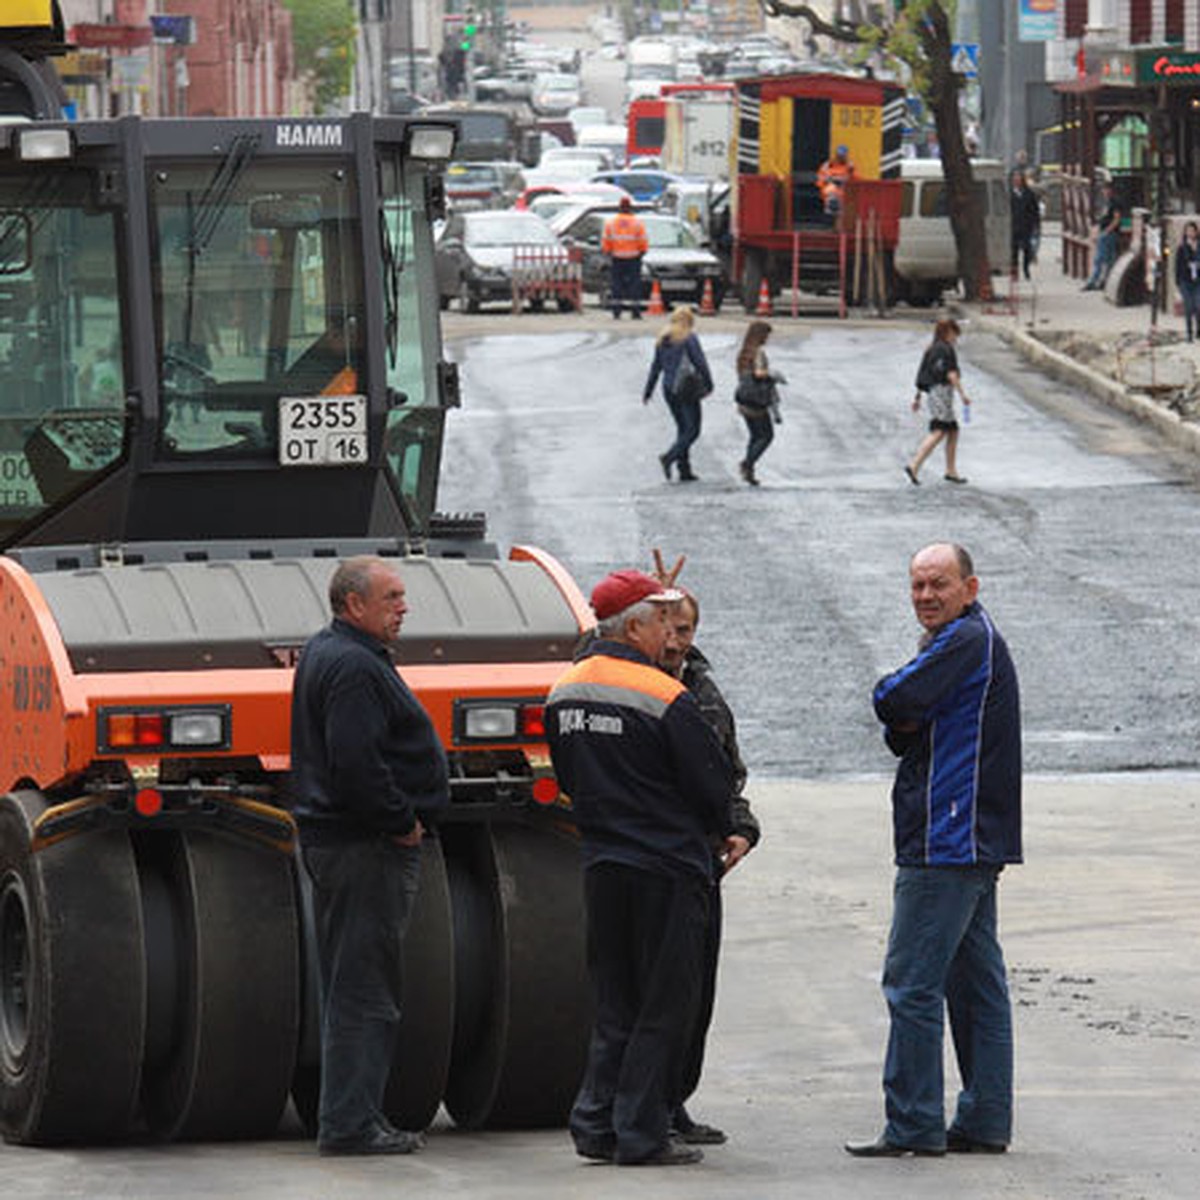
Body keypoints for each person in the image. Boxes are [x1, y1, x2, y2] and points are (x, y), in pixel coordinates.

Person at [546, 569, 736, 1167]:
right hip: (667, 866)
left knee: (616, 1001)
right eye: (660, 622)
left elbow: (569, 778)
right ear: (634, 626)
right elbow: (713, 785)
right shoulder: (665, 696)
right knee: (663, 1005)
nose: (668, 637)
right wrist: (722, 826)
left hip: (604, 862)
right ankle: (643, 1133)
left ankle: (595, 1123)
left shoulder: (565, 691)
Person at [845, 542, 1022, 1158]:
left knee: (912, 983)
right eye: (917, 585)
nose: (926, 596)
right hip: (971, 836)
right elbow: (904, 728)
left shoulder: (963, 641)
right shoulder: (967, 639)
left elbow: (893, 701)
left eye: (938, 584)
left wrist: (899, 700)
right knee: (975, 985)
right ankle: (983, 1120)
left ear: (970, 587)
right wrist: (908, 710)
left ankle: (914, 1123)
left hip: (947, 837)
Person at [290, 556, 449, 1156]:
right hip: (365, 847)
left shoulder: (329, 651)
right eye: (392, 597)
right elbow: (355, 762)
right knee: (364, 989)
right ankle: (352, 1124)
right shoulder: (355, 667)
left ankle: (349, 1116)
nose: (403, 607)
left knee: (351, 985)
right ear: (354, 605)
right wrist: (401, 822)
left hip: (343, 843)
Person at [651, 568, 760, 1147]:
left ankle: (675, 1100)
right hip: (652, 859)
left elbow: (729, 770)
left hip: (702, 860)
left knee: (695, 991)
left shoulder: (702, 688)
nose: (675, 640)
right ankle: (645, 1106)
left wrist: (741, 829)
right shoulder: (626, 683)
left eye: (686, 627)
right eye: (666, 626)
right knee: (652, 994)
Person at [643, 305, 713, 483]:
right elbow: (700, 362)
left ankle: (684, 470)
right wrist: (709, 383)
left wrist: (648, 390)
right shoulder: (689, 338)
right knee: (693, 430)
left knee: (682, 428)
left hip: (668, 389)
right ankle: (669, 457)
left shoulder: (663, 339)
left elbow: (656, 367)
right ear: (689, 321)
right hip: (686, 388)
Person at [905, 318, 971, 486]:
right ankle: (914, 465)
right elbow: (951, 374)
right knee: (940, 430)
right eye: (955, 334)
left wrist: (918, 397)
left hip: (934, 393)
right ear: (948, 332)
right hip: (942, 392)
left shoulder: (931, 348)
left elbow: (922, 374)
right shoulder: (946, 350)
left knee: (952, 430)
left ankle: (951, 470)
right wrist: (963, 395)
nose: (956, 338)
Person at [733, 320, 780, 486]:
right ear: (760, 336)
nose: (767, 339)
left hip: (744, 399)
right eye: (766, 335)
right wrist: (773, 375)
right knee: (766, 436)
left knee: (754, 436)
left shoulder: (743, 353)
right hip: (757, 400)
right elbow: (759, 373)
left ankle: (749, 471)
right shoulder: (758, 352)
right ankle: (747, 464)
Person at [601, 196, 649, 319]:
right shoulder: (638, 223)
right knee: (634, 285)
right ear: (630, 208)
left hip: (617, 258)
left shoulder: (611, 223)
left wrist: (608, 252)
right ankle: (635, 312)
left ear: (620, 208)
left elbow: (606, 241)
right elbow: (642, 241)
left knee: (616, 285)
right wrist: (642, 252)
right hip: (633, 258)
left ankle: (617, 312)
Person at [1082, 180, 1124, 291]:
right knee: (1108, 259)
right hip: (1107, 233)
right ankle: (1104, 281)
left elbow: (1117, 219)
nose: (1104, 192)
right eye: (1104, 190)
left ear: (1111, 190)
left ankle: (1094, 281)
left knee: (1101, 259)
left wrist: (1106, 231)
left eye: (1106, 189)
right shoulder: (1107, 202)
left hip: (1109, 234)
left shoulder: (1115, 202)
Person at [1008, 170, 1040, 281]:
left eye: (1019, 178)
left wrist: (1035, 224)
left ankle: (1026, 269)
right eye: (1015, 178)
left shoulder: (1029, 194)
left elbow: (1034, 210)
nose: (1016, 180)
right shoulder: (1009, 194)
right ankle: (1014, 272)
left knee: (1027, 250)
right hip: (1013, 226)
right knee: (1013, 251)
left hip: (1026, 226)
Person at [1175, 221, 1200, 342]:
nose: (1190, 233)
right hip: (1185, 281)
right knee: (1188, 307)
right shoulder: (1182, 248)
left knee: (1198, 305)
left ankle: (1198, 330)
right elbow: (1178, 266)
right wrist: (1178, 283)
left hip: (1198, 281)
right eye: (1188, 230)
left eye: (1192, 230)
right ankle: (1189, 334)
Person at [817, 144, 856, 214]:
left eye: (842, 156)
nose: (840, 158)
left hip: (844, 189)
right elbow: (820, 179)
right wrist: (829, 181)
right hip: (830, 188)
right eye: (839, 156)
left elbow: (855, 179)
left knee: (843, 194)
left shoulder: (850, 166)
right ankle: (830, 209)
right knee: (831, 190)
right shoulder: (827, 165)